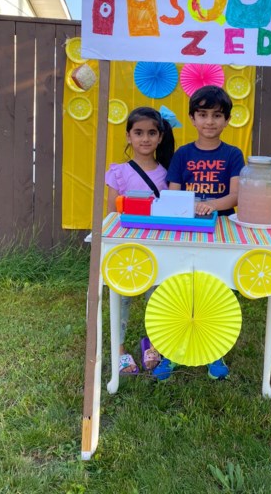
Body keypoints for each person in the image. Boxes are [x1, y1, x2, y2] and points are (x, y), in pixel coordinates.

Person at [159, 85, 244, 381]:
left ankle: (214, 349)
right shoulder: (182, 155)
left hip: (221, 231)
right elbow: (173, 194)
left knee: (216, 290)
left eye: (217, 115)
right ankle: (169, 349)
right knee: (178, 287)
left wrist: (209, 205)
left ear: (227, 120)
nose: (210, 121)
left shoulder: (233, 154)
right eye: (203, 114)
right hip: (185, 229)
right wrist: (191, 207)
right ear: (192, 119)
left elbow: (235, 197)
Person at [105, 106, 176, 376]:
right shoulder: (119, 173)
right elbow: (112, 214)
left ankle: (153, 342)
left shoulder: (169, 174)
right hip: (127, 248)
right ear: (128, 136)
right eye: (138, 133)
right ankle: (120, 349)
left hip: (158, 247)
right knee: (122, 296)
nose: (145, 139)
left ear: (160, 137)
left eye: (151, 133)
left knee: (157, 296)